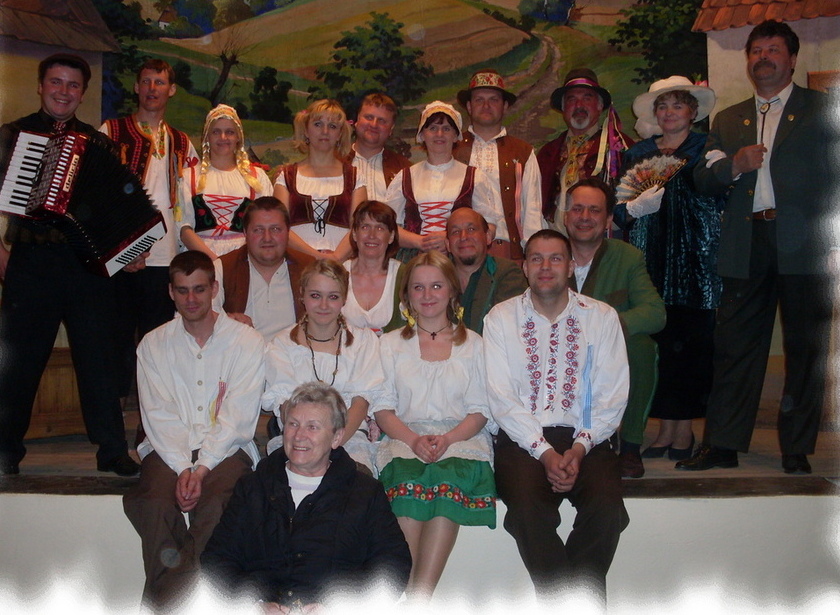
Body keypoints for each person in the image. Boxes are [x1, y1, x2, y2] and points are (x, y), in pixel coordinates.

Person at [678, 20, 838, 475]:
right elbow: (704, 179)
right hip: (746, 242)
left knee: (805, 348)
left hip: (808, 245)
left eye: (773, 49)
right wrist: (734, 165)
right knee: (734, 347)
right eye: (756, 50)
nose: (763, 57)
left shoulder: (823, 110)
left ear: (792, 59)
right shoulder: (729, 119)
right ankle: (723, 445)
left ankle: (796, 448)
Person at [0, 53, 139, 476]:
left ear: (82, 93)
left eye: (73, 85)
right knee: (18, 362)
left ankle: (111, 451)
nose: (63, 92)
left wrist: (129, 250)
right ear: (41, 86)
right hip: (30, 264)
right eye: (56, 82)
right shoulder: (12, 135)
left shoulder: (99, 144)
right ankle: (4, 454)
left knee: (99, 361)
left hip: (86, 268)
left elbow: (116, 210)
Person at [483, 229, 630, 601]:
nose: (545, 267)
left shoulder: (601, 317)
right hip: (522, 438)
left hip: (588, 437)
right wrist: (545, 452)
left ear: (571, 266)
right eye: (536, 258)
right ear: (524, 267)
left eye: (555, 258)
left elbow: (611, 395)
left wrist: (579, 448)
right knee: (526, 510)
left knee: (607, 509)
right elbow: (501, 398)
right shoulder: (501, 318)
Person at [123, 251, 266, 608]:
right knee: (154, 504)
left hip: (227, 450)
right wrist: (183, 467)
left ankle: (165, 605)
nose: (191, 299)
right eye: (183, 290)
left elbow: (238, 417)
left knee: (217, 505)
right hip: (167, 448)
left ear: (214, 289)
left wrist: (201, 469)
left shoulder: (247, 341)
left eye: (199, 289)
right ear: (170, 292)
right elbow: (159, 415)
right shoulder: (153, 344)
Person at [201, 383, 412, 610]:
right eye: (293, 424)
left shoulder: (365, 493)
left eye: (312, 427)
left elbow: (393, 566)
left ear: (336, 437)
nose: (299, 436)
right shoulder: (252, 488)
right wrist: (254, 606)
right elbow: (217, 561)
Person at [374, 251, 495, 600]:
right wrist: (413, 440)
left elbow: (480, 410)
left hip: (461, 439)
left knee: (445, 487)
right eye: (418, 287)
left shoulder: (473, 344)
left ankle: (420, 598)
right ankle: (406, 596)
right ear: (406, 295)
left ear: (452, 291)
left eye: (436, 286)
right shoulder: (390, 344)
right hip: (404, 437)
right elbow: (383, 408)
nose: (427, 295)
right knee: (407, 487)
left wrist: (448, 438)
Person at [614, 76, 723, 462]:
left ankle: (684, 432)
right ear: (654, 114)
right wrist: (633, 208)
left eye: (678, 105)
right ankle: (664, 429)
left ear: (693, 112)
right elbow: (618, 212)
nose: (670, 112)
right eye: (662, 106)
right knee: (658, 346)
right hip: (651, 262)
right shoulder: (638, 154)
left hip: (696, 262)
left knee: (691, 346)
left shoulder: (707, 148)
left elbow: (723, 197)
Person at [100, 58, 200, 404]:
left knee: (159, 342)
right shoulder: (112, 132)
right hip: (121, 256)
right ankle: (113, 419)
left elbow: (188, 204)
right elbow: (97, 196)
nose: (152, 89)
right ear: (136, 87)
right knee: (116, 341)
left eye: (159, 82)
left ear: (171, 90)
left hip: (164, 257)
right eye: (146, 81)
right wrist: (124, 246)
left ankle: (155, 419)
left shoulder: (182, 142)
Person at [563, 179, 666, 479]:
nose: (584, 217)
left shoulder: (628, 257)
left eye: (594, 210)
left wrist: (608, 326)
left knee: (642, 347)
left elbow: (655, 313)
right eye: (577, 209)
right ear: (566, 217)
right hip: (557, 350)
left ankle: (630, 445)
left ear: (608, 219)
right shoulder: (549, 253)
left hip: (606, 352)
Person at [263, 259, 383, 473]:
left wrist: (331, 444)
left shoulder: (363, 342)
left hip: (348, 439)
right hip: (297, 441)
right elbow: (286, 406)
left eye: (333, 297)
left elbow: (361, 403)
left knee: (352, 483)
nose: (324, 305)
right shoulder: (282, 344)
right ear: (302, 295)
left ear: (344, 298)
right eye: (315, 295)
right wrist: (310, 443)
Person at [386, 101, 499, 257]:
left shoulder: (475, 177)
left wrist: (451, 238)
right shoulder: (405, 177)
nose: (439, 134)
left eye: (446, 129)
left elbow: (489, 227)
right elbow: (388, 226)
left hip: (459, 262)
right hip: (415, 261)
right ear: (422, 135)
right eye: (433, 128)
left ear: (455, 136)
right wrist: (420, 242)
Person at [454, 69, 542, 261]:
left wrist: (533, 254)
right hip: (461, 251)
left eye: (493, 100)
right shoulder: (453, 149)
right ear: (469, 106)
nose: (486, 106)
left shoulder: (523, 152)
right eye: (479, 100)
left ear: (504, 106)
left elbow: (532, 208)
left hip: (509, 250)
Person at [537, 68, 633, 231]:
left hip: (600, 241)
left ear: (599, 106)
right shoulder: (548, 153)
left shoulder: (620, 147)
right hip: (555, 242)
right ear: (563, 108)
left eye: (587, 98)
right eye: (572, 99)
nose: (579, 105)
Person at [275, 99, 366, 261]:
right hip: (297, 263)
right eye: (318, 124)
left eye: (332, 126)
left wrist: (336, 259)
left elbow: (359, 227)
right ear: (306, 130)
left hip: (341, 264)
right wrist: (316, 257)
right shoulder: (286, 176)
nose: (325, 131)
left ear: (340, 134)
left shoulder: (355, 177)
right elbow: (279, 227)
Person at [179, 104, 273, 259]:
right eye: (216, 132)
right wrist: (215, 262)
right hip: (200, 260)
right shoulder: (189, 177)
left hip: (244, 259)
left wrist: (235, 263)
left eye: (229, 132)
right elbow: (184, 228)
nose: (223, 137)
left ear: (238, 137)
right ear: (207, 137)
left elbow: (266, 224)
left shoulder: (257, 177)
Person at [214, 197, 313, 342]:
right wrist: (227, 324)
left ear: (288, 232)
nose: (267, 238)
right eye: (258, 230)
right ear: (245, 233)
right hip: (242, 353)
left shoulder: (309, 268)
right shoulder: (223, 268)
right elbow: (205, 320)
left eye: (275, 229)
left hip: (296, 353)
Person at [446, 207, 528, 334]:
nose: (463, 237)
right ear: (447, 244)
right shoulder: (436, 278)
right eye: (455, 232)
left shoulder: (507, 274)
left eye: (471, 229)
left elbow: (510, 329)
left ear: (488, 236)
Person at [342, 200, 402, 334]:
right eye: (365, 227)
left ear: (391, 236)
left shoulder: (404, 276)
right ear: (354, 234)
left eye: (380, 228)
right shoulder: (338, 274)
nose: (372, 235)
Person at [348, 92, 412, 202]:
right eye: (369, 117)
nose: (374, 125)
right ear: (357, 121)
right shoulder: (336, 163)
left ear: (391, 129)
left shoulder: (405, 170)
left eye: (382, 121)